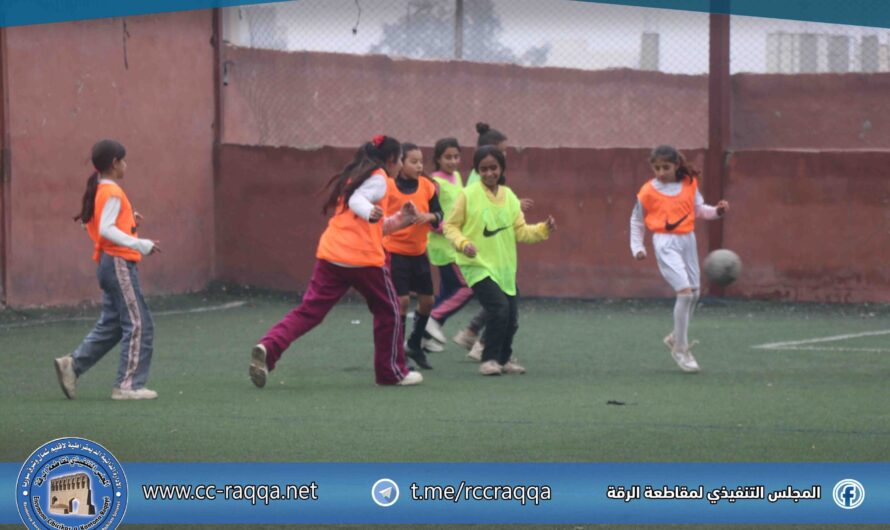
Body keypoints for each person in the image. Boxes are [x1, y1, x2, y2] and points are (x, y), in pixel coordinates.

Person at [248, 135, 423, 387]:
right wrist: (370, 212)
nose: (400, 166)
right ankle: (391, 372)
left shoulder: (355, 178)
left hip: (332, 255)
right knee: (391, 311)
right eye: (400, 160)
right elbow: (358, 204)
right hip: (363, 260)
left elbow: (368, 225)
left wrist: (400, 220)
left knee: (309, 312)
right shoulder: (380, 179)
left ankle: (268, 346)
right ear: (391, 160)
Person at [54, 139, 161, 400]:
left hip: (108, 263)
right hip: (118, 263)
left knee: (114, 324)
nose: (126, 165)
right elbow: (106, 229)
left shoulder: (100, 189)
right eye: (123, 160)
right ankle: (128, 385)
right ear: (114, 163)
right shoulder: (111, 191)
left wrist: (130, 221)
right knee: (139, 324)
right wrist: (140, 243)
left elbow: (96, 224)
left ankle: (72, 365)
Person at [444, 146, 555, 376]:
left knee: (512, 318)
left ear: (501, 168)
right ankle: (489, 360)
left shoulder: (510, 197)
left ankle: (504, 359)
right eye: (483, 169)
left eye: (493, 168)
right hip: (476, 266)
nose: (488, 173)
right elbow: (450, 226)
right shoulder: (468, 195)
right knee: (499, 309)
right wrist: (464, 244)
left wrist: (544, 229)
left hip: (504, 268)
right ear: (477, 170)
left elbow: (521, 231)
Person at [630, 144, 730, 373]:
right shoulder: (647, 191)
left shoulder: (689, 183)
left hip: (687, 240)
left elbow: (699, 210)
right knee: (684, 294)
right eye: (657, 168)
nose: (661, 172)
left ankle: (675, 337)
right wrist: (637, 247)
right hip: (665, 243)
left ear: (676, 165)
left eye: (666, 167)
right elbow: (636, 220)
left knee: (694, 293)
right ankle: (681, 349)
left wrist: (717, 212)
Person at [383, 143, 443, 370]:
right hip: (395, 252)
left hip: (419, 253)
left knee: (427, 301)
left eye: (421, 161)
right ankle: (397, 352)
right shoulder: (389, 186)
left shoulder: (427, 186)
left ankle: (414, 344)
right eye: (413, 161)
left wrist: (428, 216)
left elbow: (439, 214)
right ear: (401, 163)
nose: (419, 166)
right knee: (402, 301)